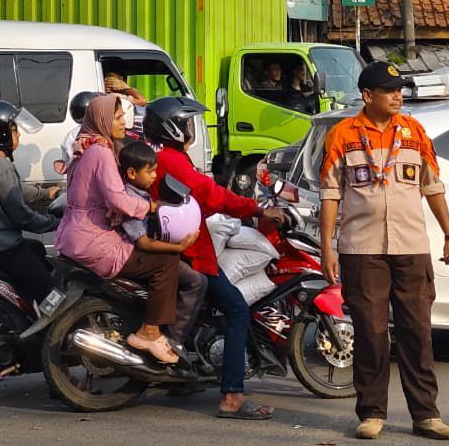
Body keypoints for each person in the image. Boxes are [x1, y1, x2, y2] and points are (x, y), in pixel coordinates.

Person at [319, 61, 449, 441]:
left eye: (399, 89)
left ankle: (426, 414)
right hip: (361, 250)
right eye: (388, 90)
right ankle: (371, 413)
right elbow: (330, 194)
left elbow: (433, 186)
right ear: (368, 96)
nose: (397, 95)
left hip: (411, 247)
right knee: (370, 332)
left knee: (417, 332)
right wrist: (327, 247)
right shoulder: (342, 135)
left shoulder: (414, 132)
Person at [144, 95, 284, 420]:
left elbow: (204, 199)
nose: (191, 128)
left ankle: (181, 378)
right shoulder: (172, 160)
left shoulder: (166, 158)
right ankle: (232, 396)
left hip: (183, 243)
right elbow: (209, 194)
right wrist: (256, 208)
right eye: (187, 122)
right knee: (236, 309)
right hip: (190, 250)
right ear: (174, 127)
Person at [54, 94, 183, 364]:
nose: (124, 121)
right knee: (166, 261)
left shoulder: (87, 147)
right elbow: (117, 199)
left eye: (124, 116)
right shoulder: (100, 152)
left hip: (75, 236)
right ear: (102, 120)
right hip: (94, 241)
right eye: (117, 117)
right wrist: (151, 207)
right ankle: (150, 331)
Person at [0, 100, 61, 311]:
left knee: (35, 248)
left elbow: (14, 190)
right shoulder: (1, 166)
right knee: (49, 292)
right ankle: (53, 328)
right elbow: (22, 216)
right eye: (14, 130)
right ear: (1, 134)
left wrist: (45, 193)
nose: (19, 135)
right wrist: (56, 223)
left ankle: (23, 307)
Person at [117, 140, 206, 336]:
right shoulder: (131, 200)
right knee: (196, 281)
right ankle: (175, 338)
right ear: (132, 173)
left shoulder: (142, 195)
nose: (154, 176)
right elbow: (143, 242)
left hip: (139, 254)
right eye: (150, 172)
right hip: (137, 256)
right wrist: (179, 247)